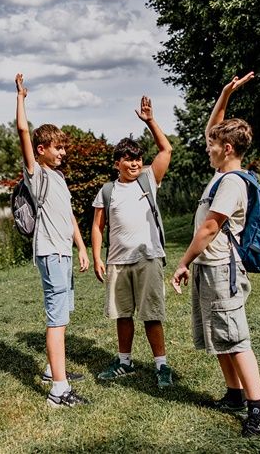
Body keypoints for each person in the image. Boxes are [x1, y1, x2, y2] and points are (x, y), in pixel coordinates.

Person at [171, 71, 260, 437]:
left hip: (220, 268)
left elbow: (210, 228)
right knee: (219, 336)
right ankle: (234, 394)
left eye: (213, 145)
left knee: (235, 336)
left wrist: (183, 261)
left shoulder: (231, 182)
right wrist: (225, 94)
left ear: (227, 149)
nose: (207, 146)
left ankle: (259, 410)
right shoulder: (221, 173)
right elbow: (212, 129)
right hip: (210, 267)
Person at [14, 73, 91, 408]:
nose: (63, 153)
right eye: (58, 148)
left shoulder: (58, 178)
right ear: (41, 150)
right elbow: (21, 132)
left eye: (64, 148)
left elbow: (70, 216)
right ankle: (59, 392)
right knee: (56, 319)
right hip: (49, 253)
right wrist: (20, 97)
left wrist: (82, 247)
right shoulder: (37, 174)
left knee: (64, 314)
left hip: (65, 253)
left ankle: (51, 370)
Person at [91, 96, 174, 388]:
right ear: (118, 164)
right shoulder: (107, 190)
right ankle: (124, 362)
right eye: (129, 158)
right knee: (122, 314)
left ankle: (162, 367)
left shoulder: (149, 179)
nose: (135, 162)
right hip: (118, 261)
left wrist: (150, 121)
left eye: (138, 157)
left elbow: (166, 149)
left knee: (151, 314)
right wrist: (98, 257)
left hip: (148, 258)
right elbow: (98, 226)